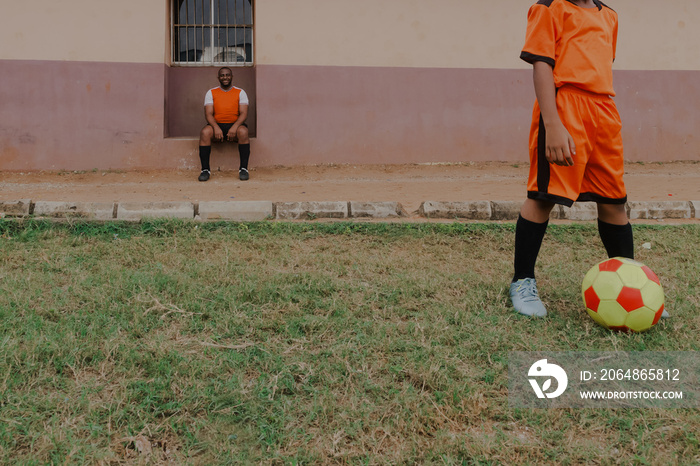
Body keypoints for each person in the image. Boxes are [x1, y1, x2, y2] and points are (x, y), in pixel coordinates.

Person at [510, 0, 637, 317]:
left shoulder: (609, 16)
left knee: (614, 201)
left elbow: (601, 64)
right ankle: (522, 281)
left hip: (604, 111)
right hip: (564, 108)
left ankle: (633, 285)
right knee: (544, 196)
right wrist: (552, 125)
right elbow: (542, 65)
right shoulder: (549, 8)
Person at [197, 67, 251, 181]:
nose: (225, 77)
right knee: (205, 133)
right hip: (217, 125)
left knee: (243, 132)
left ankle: (243, 169)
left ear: (231, 77)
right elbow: (208, 114)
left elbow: (243, 114)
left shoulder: (240, 92)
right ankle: (205, 170)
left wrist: (234, 127)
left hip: (235, 125)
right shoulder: (211, 92)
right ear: (218, 78)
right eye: (222, 75)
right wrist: (216, 128)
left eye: (227, 75)